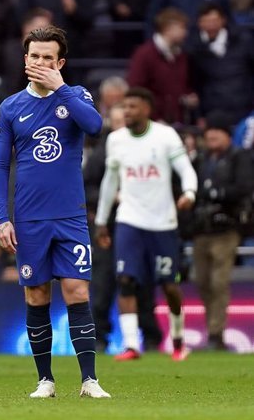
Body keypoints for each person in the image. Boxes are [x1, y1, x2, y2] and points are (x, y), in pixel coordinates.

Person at [0, 25, 110, 398]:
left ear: (60, 62)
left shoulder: (76, 96)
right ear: (25, 60)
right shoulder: (10, 107)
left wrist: (61, 87)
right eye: (35, 56)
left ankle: (89, 380)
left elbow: (94, 126)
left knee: (77, 291)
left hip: (70, 216)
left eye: (48, 57)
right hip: (28, 219)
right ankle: (45, 380)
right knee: (36, 295)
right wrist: (1, 217)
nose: (40, 63)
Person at [95, 87, 198, 362]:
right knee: (125, 280)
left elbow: (186, 169)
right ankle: (131, 345)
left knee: (169, 286)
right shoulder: (116, 140)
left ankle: (177, 341)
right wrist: (102, 220)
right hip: (129, 219)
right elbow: (110, 181)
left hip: (163, 222)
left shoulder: (165, 137)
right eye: (124, 106)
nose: (127, 111)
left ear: (147, 110)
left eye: (133, 107)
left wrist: (189, 193)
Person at [191, 114, 254, 350]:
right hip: (201, 229)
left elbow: (244, 187)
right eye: (208, 133)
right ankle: (212, 330)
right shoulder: (201, 159)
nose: (211, 136)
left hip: (226, 228)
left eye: (217, 132)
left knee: (219, 281)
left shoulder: (239, 157)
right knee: (201, 281)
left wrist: (217, 193)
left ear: (228, 136)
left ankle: (216, 333)